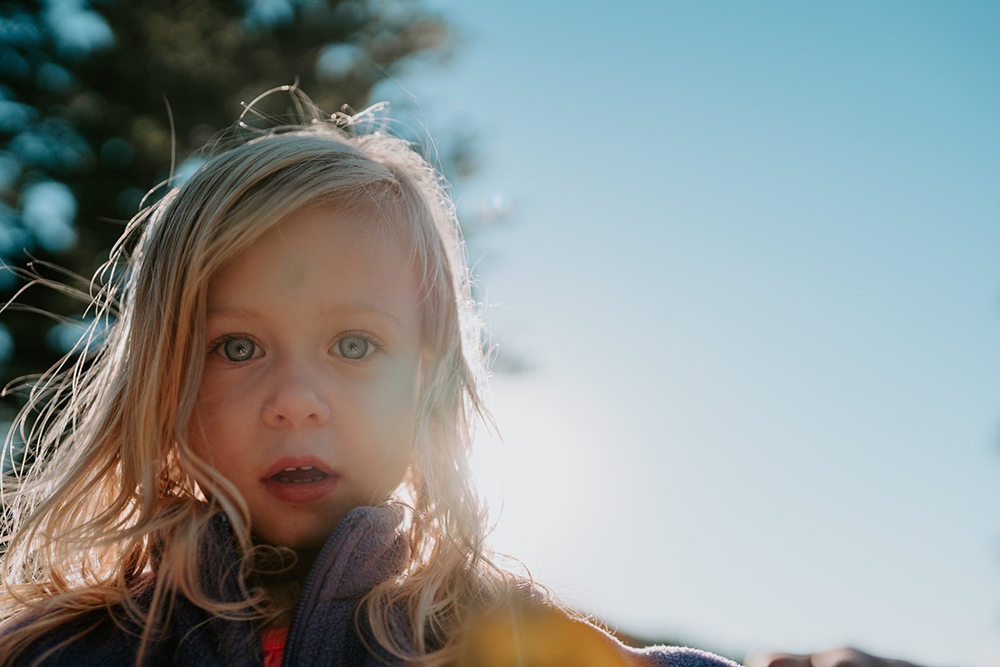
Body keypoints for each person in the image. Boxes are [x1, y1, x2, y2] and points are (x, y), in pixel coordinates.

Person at [0, 88, 927, 667]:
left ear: (430, 383)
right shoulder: (61, 647)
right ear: (164, 378)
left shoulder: (488, 632)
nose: (296, 399)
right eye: (236, 347)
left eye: (355, 347)